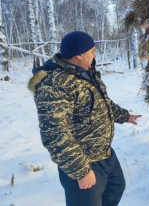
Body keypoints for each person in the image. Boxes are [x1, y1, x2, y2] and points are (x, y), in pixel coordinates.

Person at [28, 31, 141, 206]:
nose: (95, 55)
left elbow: (101, 103)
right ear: (79, 55)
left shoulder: (86, 73)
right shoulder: (54, 85)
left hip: (104, 154)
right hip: (83, 161)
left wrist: (124, 116)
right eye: (92, 51)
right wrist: (80, 171)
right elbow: (55, 134)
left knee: (116, 188)